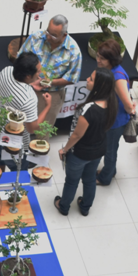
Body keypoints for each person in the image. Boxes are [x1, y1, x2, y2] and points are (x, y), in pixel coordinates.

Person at [54, 68, 117, 217]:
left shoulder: (89, 109)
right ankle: (85, 206)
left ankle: (64, 206)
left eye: (91, 79)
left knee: (72, 181)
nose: (87, 79)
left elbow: (77, 135)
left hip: (80, 153)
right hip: (98, 151)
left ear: (99, 86)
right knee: (89, 179)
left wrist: (64, 149)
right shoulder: (112, 104)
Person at [20, 15, 83, 130]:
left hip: (51, 93)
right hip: (27, 86)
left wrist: (48, 82)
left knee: (43, 129)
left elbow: (72, 78)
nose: (48, 36)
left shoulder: (74, 51)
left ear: (64, 35)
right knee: (21, 124)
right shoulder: (35, 37)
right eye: (47, 31)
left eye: (53, 35)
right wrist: (30, 81)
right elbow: (20, 58)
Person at [0, 51, 53, 165]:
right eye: (38, 71)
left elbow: (15, 87)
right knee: (18, 169)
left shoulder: (6, 71)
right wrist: (48, 106)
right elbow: (32, 129)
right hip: (14, 141)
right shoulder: (29, 98)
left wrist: (31, 84)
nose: (40, 74)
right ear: (28, 76)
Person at [94, 39, 136, 187]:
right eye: (98, 56)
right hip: (110, 117)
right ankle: (110, 171)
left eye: (102, 58)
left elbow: (128, 105)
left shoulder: (117, 77)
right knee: (109, 148)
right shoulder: (110, 70)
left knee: (109, 150)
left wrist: (131, 110)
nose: (98, 60)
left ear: (112, 59)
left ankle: (105, 178)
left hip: (115, 121)